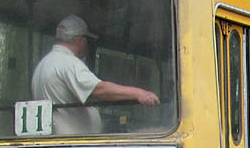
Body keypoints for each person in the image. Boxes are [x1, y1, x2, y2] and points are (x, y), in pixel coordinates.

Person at [31, 14, 160, 135]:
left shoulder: (44, 64)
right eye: (87, 40)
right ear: (80, 40)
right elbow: (99, 90)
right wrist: (139, 93)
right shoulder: (68, 63)